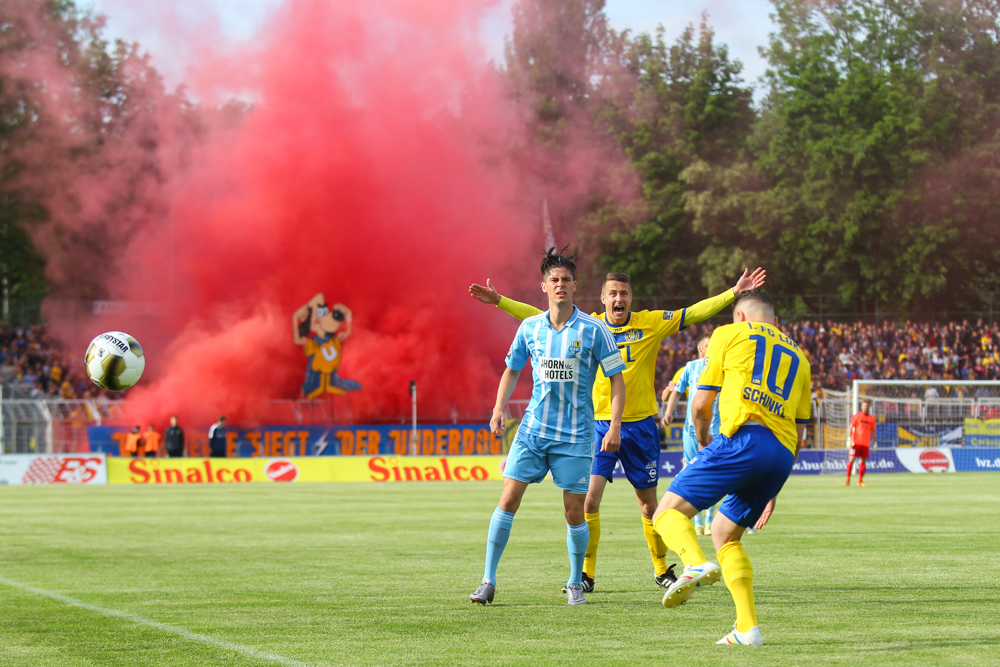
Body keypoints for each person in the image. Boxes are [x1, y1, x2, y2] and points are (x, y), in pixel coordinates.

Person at [470, 267, 766, 592]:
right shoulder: (591, 326)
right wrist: (500, 301)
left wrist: (732, 293)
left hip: (640, 426)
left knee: (649, 504)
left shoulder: (650, 323)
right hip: (596, 424)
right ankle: (586, 574)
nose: (618, 298)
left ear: (631, 298)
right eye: (612, 293)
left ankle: (660, 568)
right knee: (589, 502)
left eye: (623, 293)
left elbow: (692, 313)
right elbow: (540, 317)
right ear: (603, 298)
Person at [650, 290, 811, 646]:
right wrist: (772, 491)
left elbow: (702, 404)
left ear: (740, 317)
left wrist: (705, 439)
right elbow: (799, 433)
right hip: (781, 454)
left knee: (666, 514)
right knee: (725, 533)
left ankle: (693, 563)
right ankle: (747, 629)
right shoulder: (800, 356)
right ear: (776, 322)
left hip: (743, 439)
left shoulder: (729, 333)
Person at [469, 247, 626, 607]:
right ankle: (487, 580)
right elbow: (512, 369)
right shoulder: (530, 328)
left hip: (575, 437)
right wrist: (498, 408)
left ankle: (574, 582)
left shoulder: (594, 329)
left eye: (566, 280)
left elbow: (617, 379)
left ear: (575, 285)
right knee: (507, 500)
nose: (560, 285)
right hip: (533, 432)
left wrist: (614, 424)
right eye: (554, 280)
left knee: (575, 510)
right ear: (543, 286)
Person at [662, 333, 721, 535]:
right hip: (690, 431)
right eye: (708, 345)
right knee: (691, 472)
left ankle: (710, 519)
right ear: (700, 349)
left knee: (713, 475)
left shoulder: (722, 367)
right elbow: (676, 390)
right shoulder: (690, 367)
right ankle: (697, 520)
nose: (711, 348)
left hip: (715, 430)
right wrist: (669, 412)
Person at [846, 400, 876, 487]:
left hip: (866, 443)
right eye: (864, 406)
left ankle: (860, 481)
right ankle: (848, 480)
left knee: (863, 462)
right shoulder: (857, 416)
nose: (865, 407)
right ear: (861, 407)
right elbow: (851, 427)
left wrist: (875, 442)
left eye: (867, 406)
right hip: (856, 442)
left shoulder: (872, 418)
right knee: (851, 460)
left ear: (869, 407)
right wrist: (849, 438)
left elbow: (873, 431)